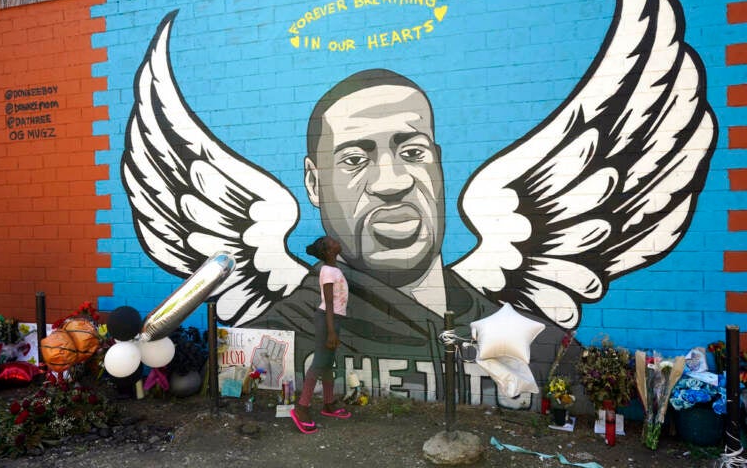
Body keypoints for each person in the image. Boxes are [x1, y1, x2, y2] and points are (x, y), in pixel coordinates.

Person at [248, 69, 578, 406]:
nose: (391, 183)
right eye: (355, 160)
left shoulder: (543, 345)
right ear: (314, 184)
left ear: (439, 164)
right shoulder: (279, 333)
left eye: (413, 153)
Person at [290, 236, 352, 434]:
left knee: (327, 364)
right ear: (327, 251)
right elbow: (329, 302)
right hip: (327, 320)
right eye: (332, 242)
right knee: (319, 363)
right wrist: (332, 331)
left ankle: (328, 403)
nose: (336, 242)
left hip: (333, 320)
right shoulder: (327, 271)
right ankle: (302, 407)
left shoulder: (334, 270)